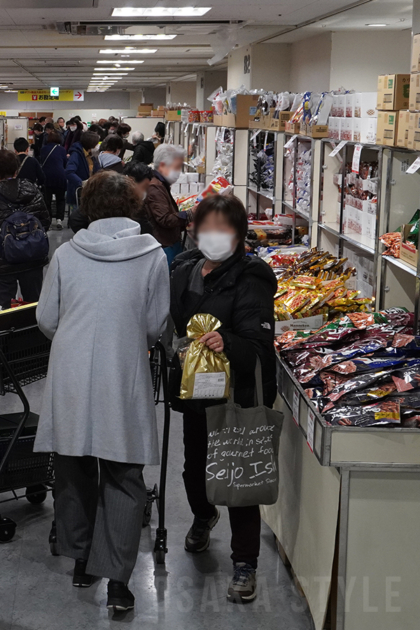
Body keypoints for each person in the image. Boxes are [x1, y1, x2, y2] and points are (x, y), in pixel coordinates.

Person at [35, 170, 169, 613]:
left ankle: (80, 560)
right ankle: (117, 580)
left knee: (73, 466)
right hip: (124, 372)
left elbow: (47, 319)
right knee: (124, 476)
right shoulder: (152, 256)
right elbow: (154, 325)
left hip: (71, 371)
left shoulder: (67, 255)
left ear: (87, 207)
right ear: (133, 207)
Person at [169, 194, 277, 604]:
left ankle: (245, 564)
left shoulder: (252, 277)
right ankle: (202, 514)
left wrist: (226, 340)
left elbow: (260, 346)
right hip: (195, 391)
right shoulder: (184, 268)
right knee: (193, 469)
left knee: (238, 478)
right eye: (205, 227)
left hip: (237, 396)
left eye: (222, 228)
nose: (212, 235)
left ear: (238, 233)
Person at [0, 149, 50, 309]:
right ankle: (32, 332)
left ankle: (5, 334)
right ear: (17, 170)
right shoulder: (33, 192)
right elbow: (45, 222)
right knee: (34, 304)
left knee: (2, 309)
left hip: (3, 263)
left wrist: (2, 244)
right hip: (33, 257)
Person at [69, 159, 154, 233]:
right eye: (144, 187)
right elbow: (77, 219)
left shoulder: (133, 202)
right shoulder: (108, 194)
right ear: (131, 180)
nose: (145, 192)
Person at [144, 143, 190, 265]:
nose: (179, 172)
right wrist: (190, 213)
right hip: (164, 244)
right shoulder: (155, 187)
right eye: (177, 167)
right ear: (163, 165)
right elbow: (165, 219)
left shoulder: (161, 184)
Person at [39, 129, 68, 230]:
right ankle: (59, 219)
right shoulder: (62, 150)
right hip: (60, 176)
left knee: (48, 200)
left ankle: (49, 219)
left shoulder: (43, 149)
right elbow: (65, 164)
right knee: (60, 199)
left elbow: (41, 161)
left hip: (47, 177)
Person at [66, 131, 100, 210]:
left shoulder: (91, 155)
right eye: (96, 143)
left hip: (90, 193)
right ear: (91, 144)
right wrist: (81, 183)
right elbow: (69, 172)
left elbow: (97, 170)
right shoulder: (76, 154)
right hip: (78, 193)